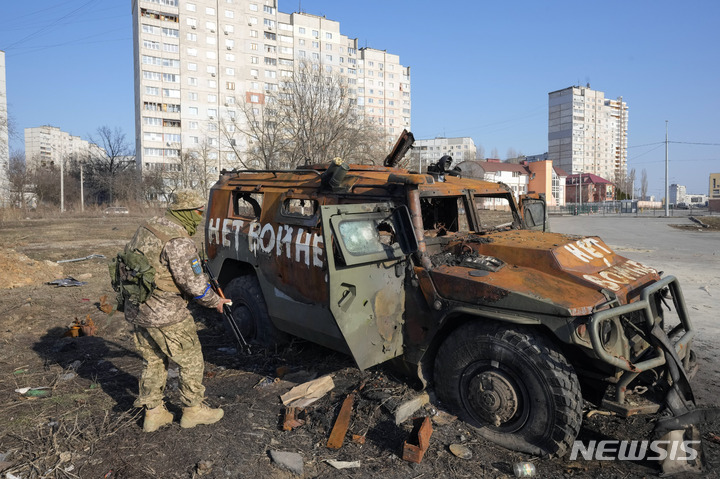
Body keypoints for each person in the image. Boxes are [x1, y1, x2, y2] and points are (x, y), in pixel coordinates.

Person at [122, 189, 231, 432]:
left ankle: (153, 413)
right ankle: (193, 410)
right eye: (198, 213)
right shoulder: (179, 241)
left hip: (137, 308)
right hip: (166, 313)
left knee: (152, 360)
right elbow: (193, 284)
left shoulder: (149, 226)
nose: (200, 217)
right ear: (187, 212)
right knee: (191, 358)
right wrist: (216, 302)